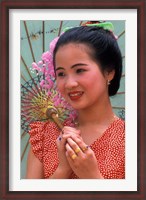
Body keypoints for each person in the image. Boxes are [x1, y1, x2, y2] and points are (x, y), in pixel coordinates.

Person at [26, 21, 125, 179]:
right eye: (61, 74)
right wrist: (62, 170)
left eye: (80, 70)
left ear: (109, 72)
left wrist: (92, 177)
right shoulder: (45, 135)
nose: (70, 84)